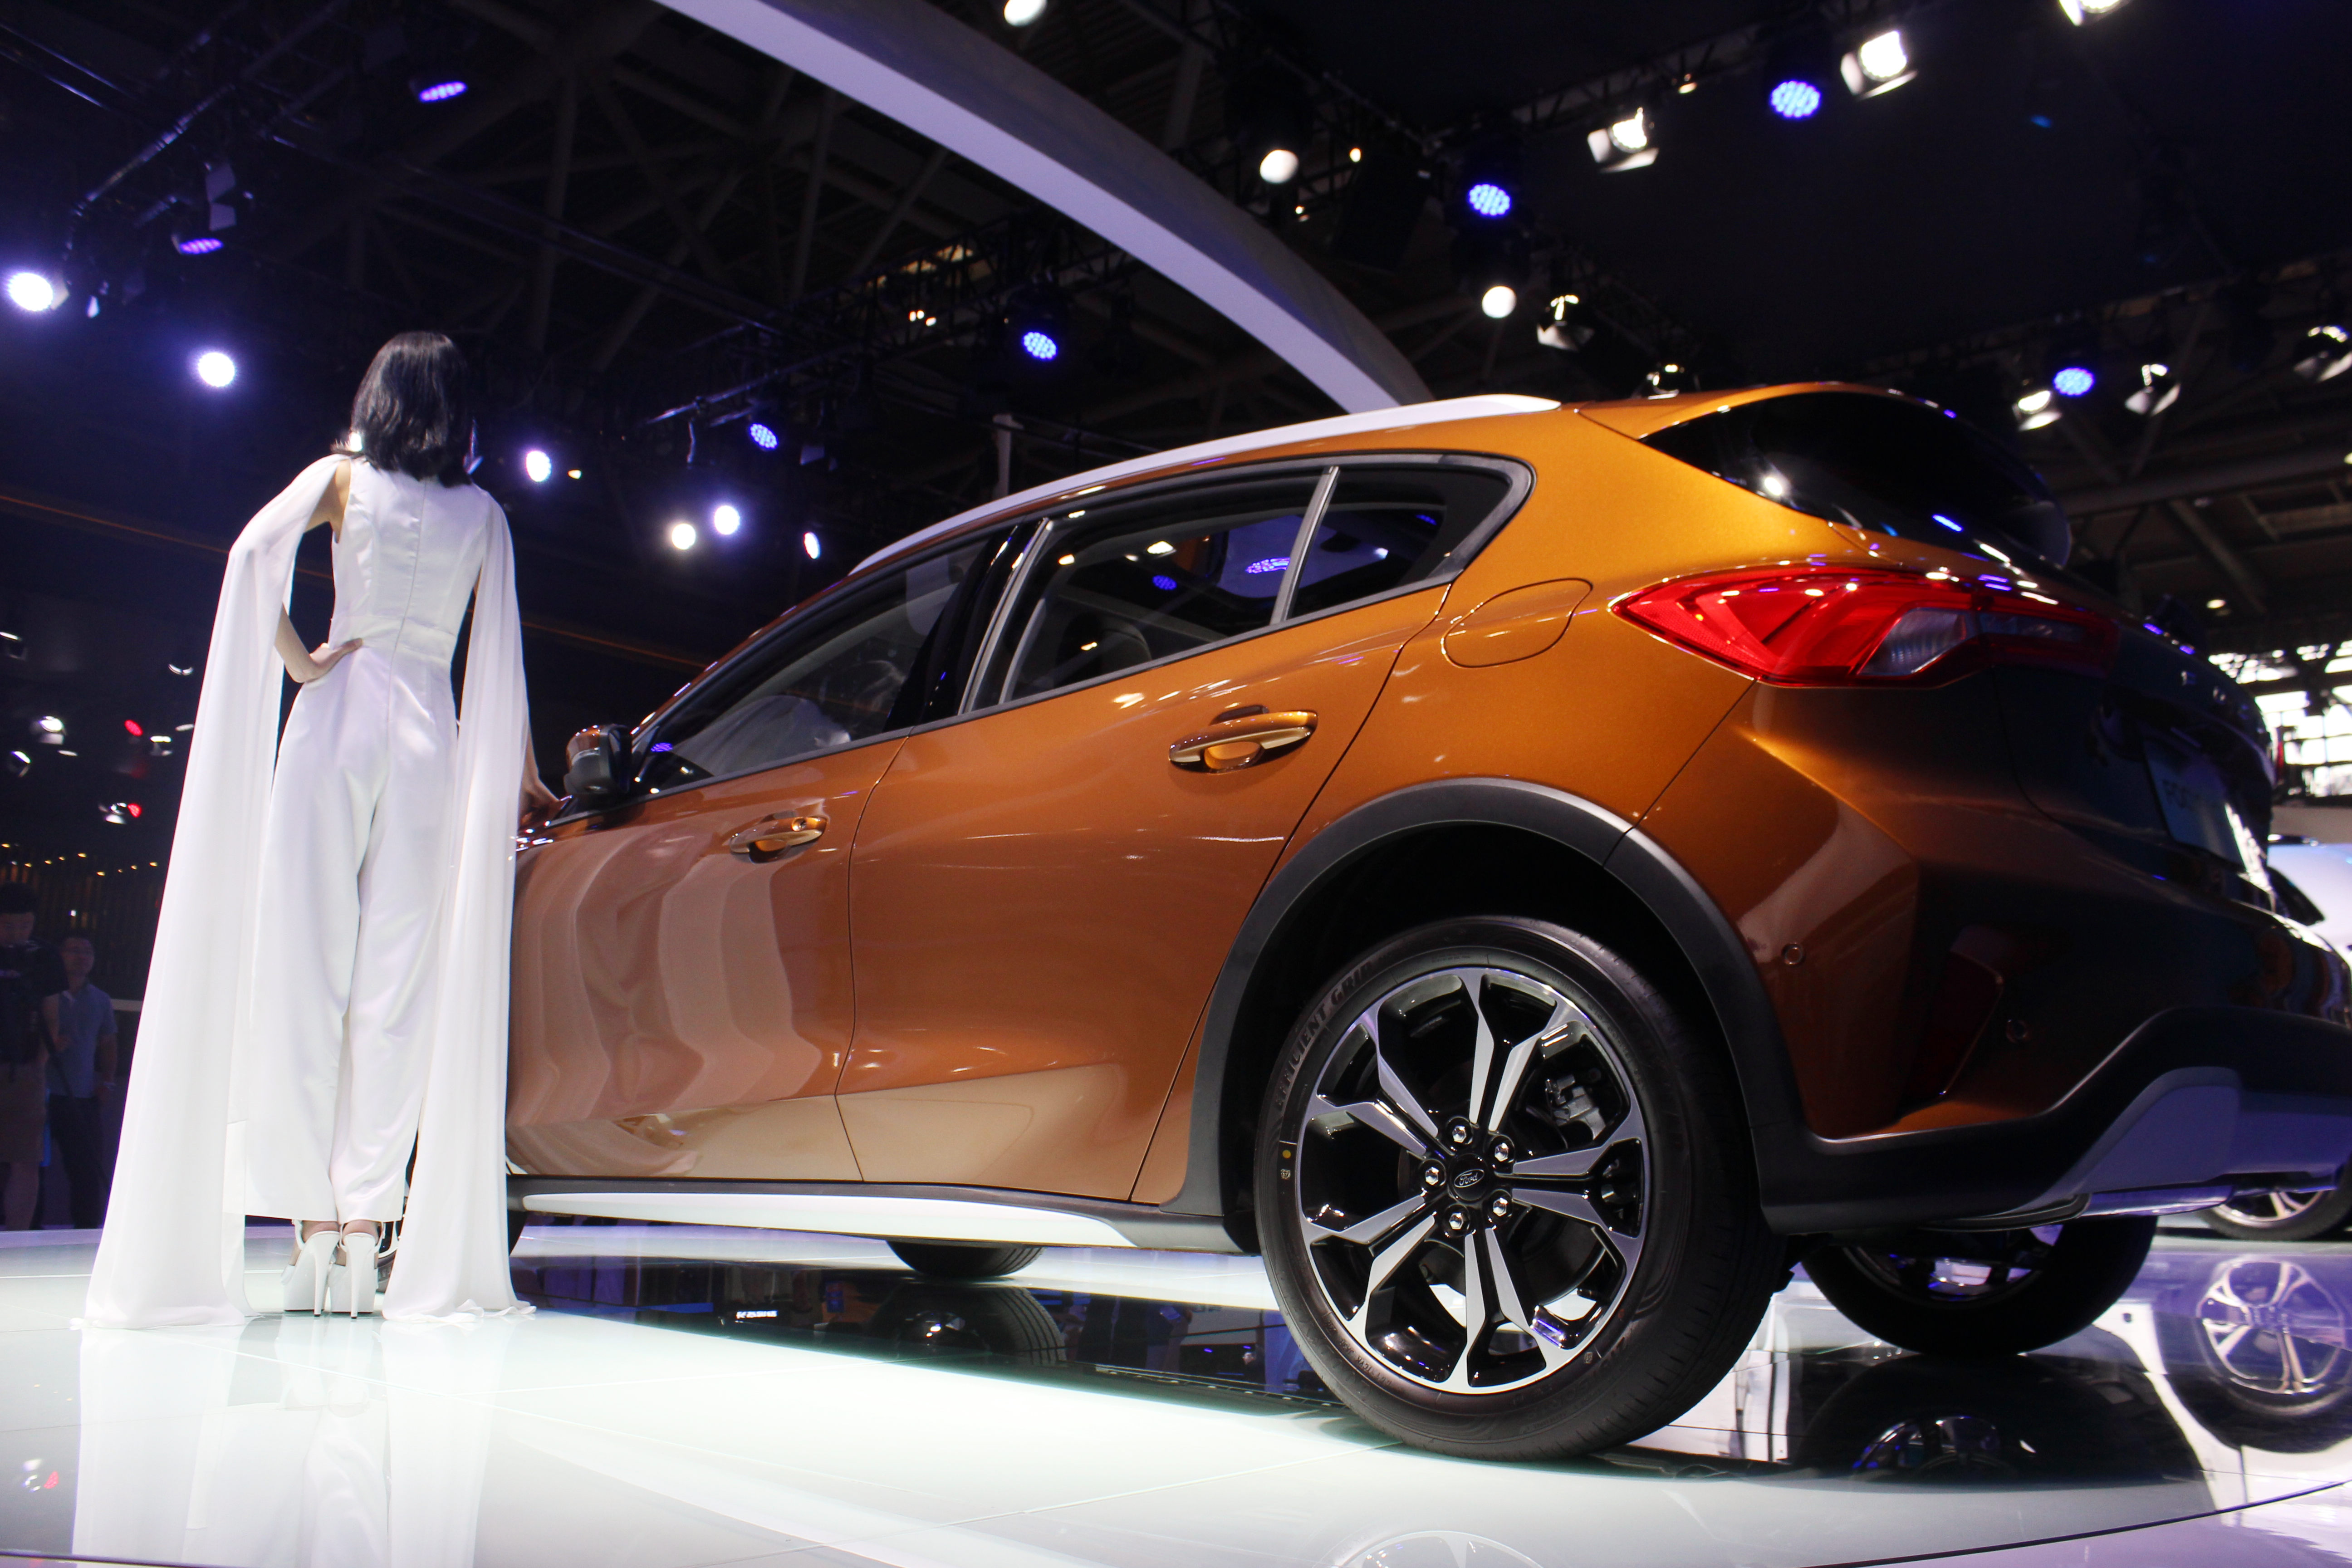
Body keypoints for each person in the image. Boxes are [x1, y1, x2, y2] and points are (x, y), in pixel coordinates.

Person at [86, 331, 556, 1329]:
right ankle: (363, 1228)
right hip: (430, 733)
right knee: (396, 990)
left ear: (380, 395)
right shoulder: (484, 514)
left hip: (340, 711)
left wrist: (300, 660)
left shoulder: (343, 477)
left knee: (304, 968)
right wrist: (520, 774)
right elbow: (502, 662)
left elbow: (250, 556)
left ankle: (307, 1225)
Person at [0, 882, 64, 1231]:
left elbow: (51, 1016)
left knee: (25, 1157)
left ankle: (16, 1237)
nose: (17, 934)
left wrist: (38, 1068)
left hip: (24, 1068)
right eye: (9, 925)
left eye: (26, 925)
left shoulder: (43, 956)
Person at [43, 931, 118, 1230]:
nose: (81, 957)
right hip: (43, 1091)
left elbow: (109, 1042)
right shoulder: (45, 993)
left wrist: (107, 1081)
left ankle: (87, 1229)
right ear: (59, 955)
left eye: (87, 952)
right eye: (73, 950)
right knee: (32, 1164)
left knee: (85, 1167)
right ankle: (27, 1228)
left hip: (83, 1095)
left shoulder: (100, 999)